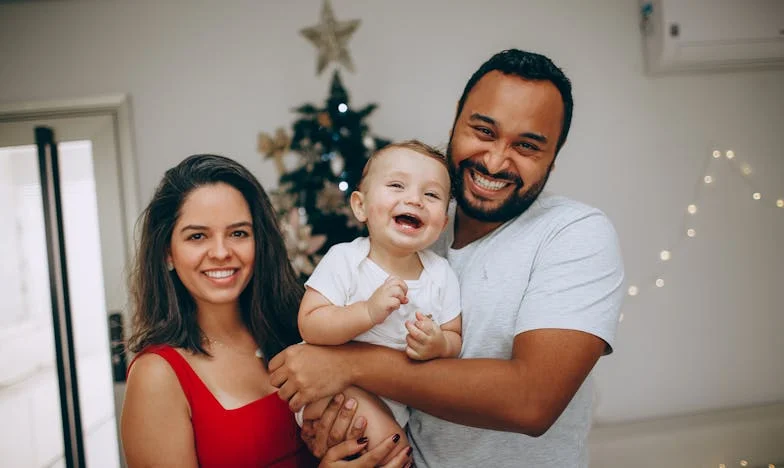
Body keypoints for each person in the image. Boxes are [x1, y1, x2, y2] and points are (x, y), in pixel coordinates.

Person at [268, 48, 625, 468]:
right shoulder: (416, 230)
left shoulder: (574, 233)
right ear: (457, 119)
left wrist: (344, 364)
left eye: (527, 146)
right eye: (484, 131)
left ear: (555, 154)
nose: (495, 161)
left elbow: (531, 402)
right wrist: (339, 431)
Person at [120, 154, 412, 467]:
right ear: (167, 251)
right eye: (197, 236)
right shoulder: (157, 375)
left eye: (238, 233)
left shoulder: (301, 328)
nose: (221, 252)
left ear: (260, 242)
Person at [296, 141, 462, 461]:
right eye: (397, 185)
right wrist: (367, 311)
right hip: (332, 389)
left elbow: (454, 335)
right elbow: (311, 323)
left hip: (397, 402)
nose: (414, 198)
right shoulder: (345, 260)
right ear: (360, 206)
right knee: (396, 452)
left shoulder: (441, 275)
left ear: (442, 223)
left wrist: (438, 344)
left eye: (431, 194)